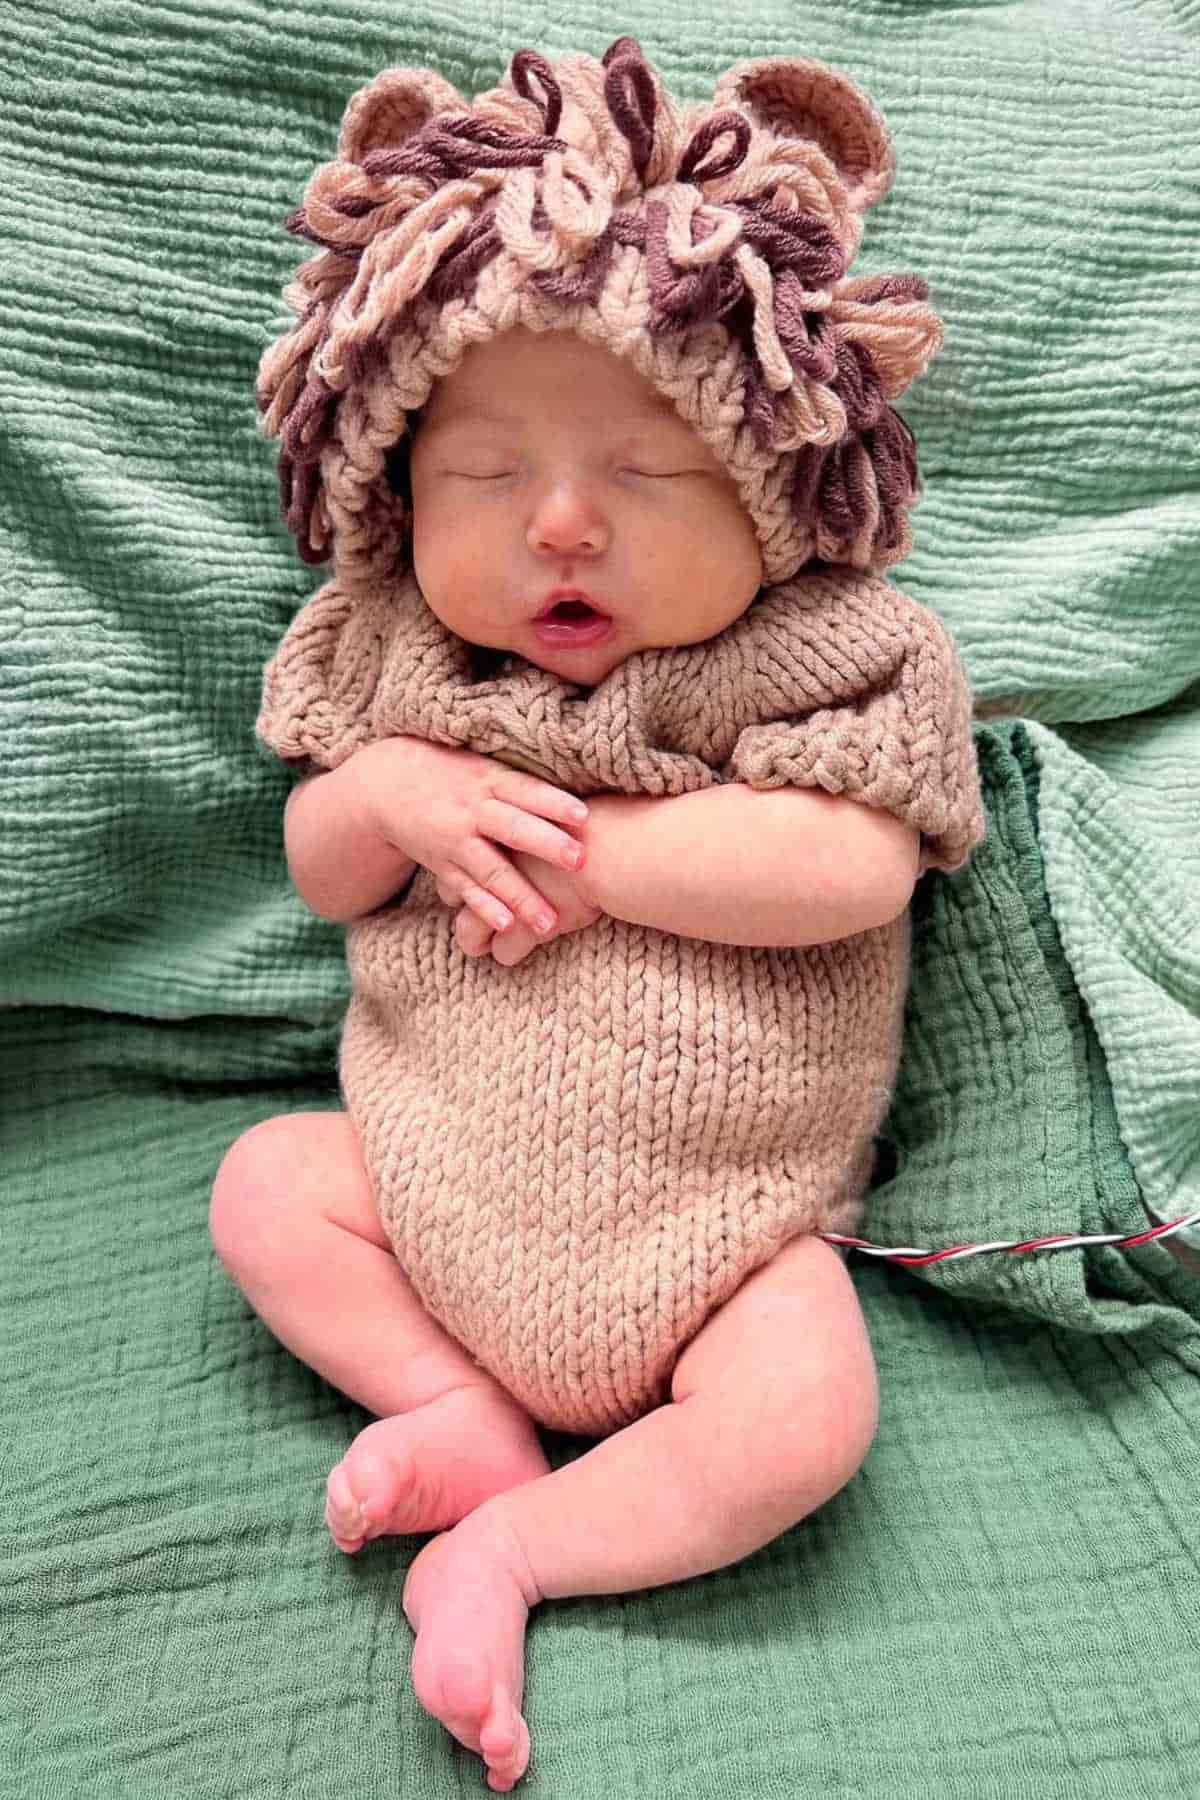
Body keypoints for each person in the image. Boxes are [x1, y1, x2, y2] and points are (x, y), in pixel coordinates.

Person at [210, 37, 986, 1791]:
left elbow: (851, 866)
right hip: (429, 1186)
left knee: (811, 1407)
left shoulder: (842, 652)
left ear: (782, 483)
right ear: (398, 495)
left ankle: (523, 1545)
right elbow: (322, 866)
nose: (561, 526)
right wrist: (388, 799)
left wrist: (595, 862)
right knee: (265, 1189)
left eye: (646, 477)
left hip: (725, 1240)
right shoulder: (398, 659)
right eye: (487, 478)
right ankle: (456, 1408)